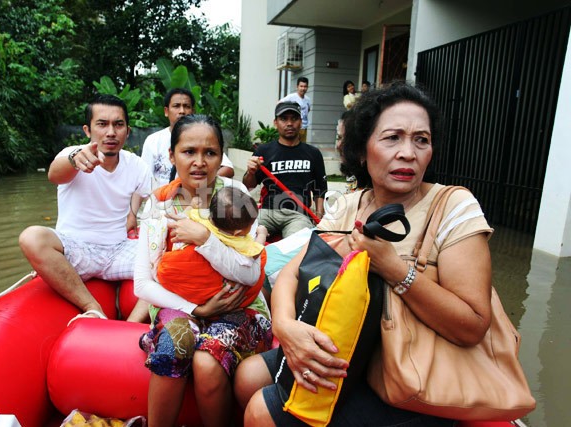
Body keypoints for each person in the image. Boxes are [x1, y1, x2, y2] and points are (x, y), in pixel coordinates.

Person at [235, 82, 494, 426]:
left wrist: (394, 269)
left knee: (260, 410)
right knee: (247, 375)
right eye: (392, 138)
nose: (408, 153)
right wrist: (285, 327)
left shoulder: (454, 207)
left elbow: (473, 326)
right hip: (348, 350)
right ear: (361, 149)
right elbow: (291, 273)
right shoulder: (347, 205)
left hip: (409, 373)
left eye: (421, 139)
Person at [134, 114, 272, 427]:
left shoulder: (236, 195)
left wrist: (206, 239)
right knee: (174, 342)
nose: (199, 162)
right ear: (172, 155)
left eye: (209, 153)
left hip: (243, 306)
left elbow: (250, 269)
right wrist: (197, 308)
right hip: (180, 305)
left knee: (207, 361)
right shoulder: (158, 205)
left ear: (221, 157)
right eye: (188, 152)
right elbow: (142, 285)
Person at [18, 94, 152, 322]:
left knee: (174, 252)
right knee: (31, 237)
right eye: (102, 124)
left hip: (120, 250)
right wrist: (74, 159)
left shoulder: (136, 165)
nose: (111, 132)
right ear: (87, 130)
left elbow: (160, 202)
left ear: (127, 132)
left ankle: (130, 325)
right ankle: (92, 306)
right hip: (76, 251)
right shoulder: (72, 154)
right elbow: (55, 174)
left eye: (118, 125)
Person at [151, 186, 268, 307]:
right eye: (251, 225)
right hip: (227, 295)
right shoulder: (238, 242)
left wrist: (192, 207)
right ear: (237, 232)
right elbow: (255, 252)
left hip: (185, 283)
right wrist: (262, 234)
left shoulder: (201, 219)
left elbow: (188, 216)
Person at [243, 101, 327, 238]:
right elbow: (249, 186)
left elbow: (321, 190)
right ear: (275, 123)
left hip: (298, 215)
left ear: (301, 122)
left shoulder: (313, 153)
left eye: (294, 119)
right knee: (243, 233)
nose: (289, 123)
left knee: (296, 247)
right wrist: (250, 172)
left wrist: (319, 219)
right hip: (268, 212)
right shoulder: (263, 150)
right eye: (284, 119)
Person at [141, 88, 234, 190]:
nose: (182, 111)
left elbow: (228, 169)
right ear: (166, 111)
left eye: (186, 106)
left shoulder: (203, 136)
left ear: (193, 111)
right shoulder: (153, 141)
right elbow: (144, 176)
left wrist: (202, 181)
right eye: (176, 106)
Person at [279, 77, 312, 142]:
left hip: (304, 127)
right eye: (301, 86)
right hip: (294, 127)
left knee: (302, 146)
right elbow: (279, 103)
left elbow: (308, 110)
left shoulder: (308, 99)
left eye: (305, 86)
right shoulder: (291, 97)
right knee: (293, 145)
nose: (303, 88)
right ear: (297, 87)